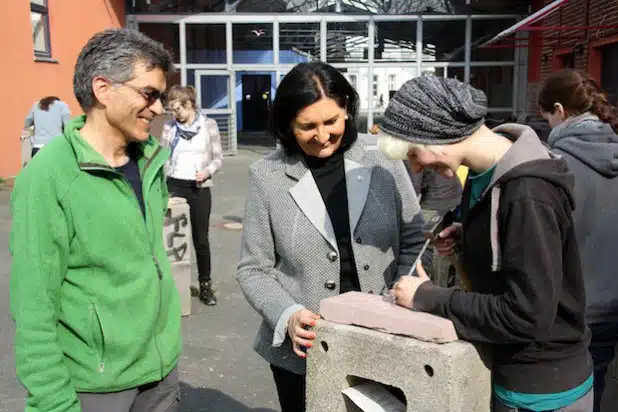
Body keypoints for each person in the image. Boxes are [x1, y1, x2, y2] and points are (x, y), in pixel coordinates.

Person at [378, 76, 592, 412]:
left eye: (413, 154)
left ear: (439, 135)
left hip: (539, 390)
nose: (417, 167)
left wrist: (428, 297)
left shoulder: (527, 193)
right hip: (516, 372)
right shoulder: (487, 175)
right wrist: (472, 236)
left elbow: (527, 316)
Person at [237, 62, 428, 412]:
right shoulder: (267, 176)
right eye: (307, 126)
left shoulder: (381, 157)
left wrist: (402, 290)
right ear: (286, 126)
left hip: (385, 338)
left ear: (348, 111)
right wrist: (289, 314)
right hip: (303, 352)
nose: (322, 136)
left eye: (331, 121)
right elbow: (253, 268)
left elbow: (414, 236)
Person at [9, 29, 181, 412]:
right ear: (103, 89)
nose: (158, 108)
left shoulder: (151, 161)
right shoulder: (48, 176)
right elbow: (34, 305)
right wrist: (53, 402)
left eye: (162, 97)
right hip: (98, 387)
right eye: (149, 94)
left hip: (161, 373)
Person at [539, 69, 618, 412]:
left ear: (559, 110)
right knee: (598, 387)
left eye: (546, 117)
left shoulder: (555, 166)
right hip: (613, 306)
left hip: (569, 309)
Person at [161, 85, 223, 306]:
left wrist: (206, 172)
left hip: (199, 188)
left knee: (200, 240)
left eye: (177, 109)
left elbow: (218, 158)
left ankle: (205, 286)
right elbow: (163, 157)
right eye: (172, 110)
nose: (174, 114)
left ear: (189, 104)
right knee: (172, 239)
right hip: (174, 186)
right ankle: (172, 288)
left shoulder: (209, 126)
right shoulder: (170, 127)